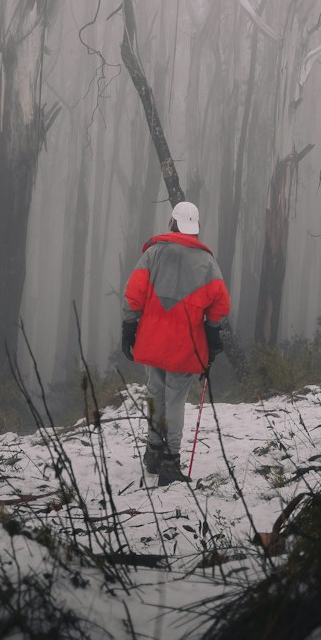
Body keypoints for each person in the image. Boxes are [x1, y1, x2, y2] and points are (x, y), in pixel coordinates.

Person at [121, 200, 231, 487]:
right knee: (175, 401)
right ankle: (170, 461)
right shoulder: (207, 263)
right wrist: (213, 334)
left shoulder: (154, 253)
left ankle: (153, 452)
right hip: (185, 346)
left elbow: (134, 292)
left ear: (172, 222)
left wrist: (129, 326)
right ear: (194, 228)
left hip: (152, 341)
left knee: (155, 393)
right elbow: (219, 303)